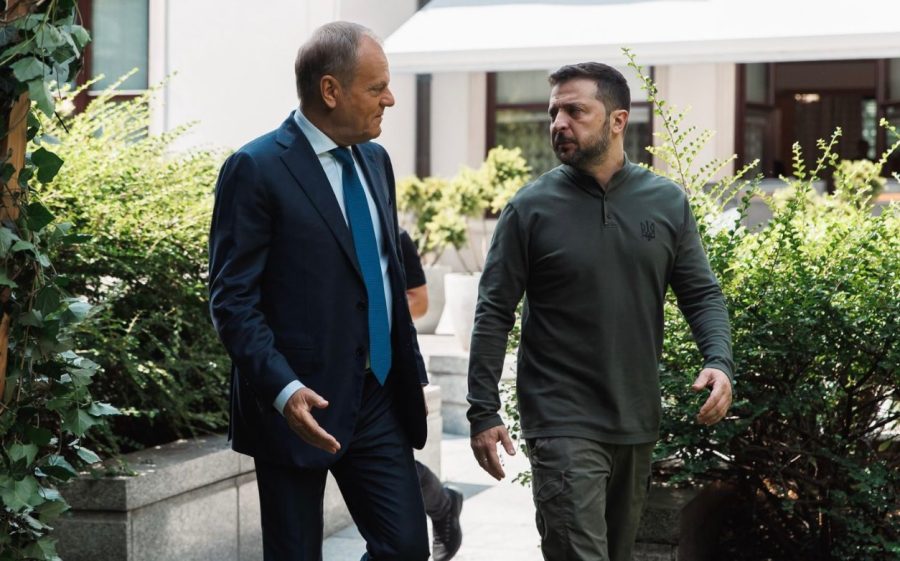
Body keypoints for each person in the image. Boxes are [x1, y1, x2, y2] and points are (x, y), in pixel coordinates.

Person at [467, 62, 734, 561]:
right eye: (554, 112)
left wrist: (719, 361)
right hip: (560, 418)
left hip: (636, 417)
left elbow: (701, 293)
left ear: (617, 120)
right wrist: (482, 409)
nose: (558, 123)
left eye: (575, 111)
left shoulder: (666, 202)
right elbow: (494, 311)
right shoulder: (529, 208)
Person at [208, 22, 430, 561]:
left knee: (406, 548)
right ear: (331, 90)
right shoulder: (256, 168)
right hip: (296, 404)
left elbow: (383, 274)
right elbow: (232, 300)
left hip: (378, 395)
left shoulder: (376, 160)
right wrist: (284, 390)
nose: (390, 99)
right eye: (377, 87)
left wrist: (408, 368)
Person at [398, 229, 464, 561]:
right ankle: (445, 504)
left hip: (387, 364)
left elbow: (420, 302)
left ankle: (443, 505)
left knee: (394, 461)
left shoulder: (395, 234)